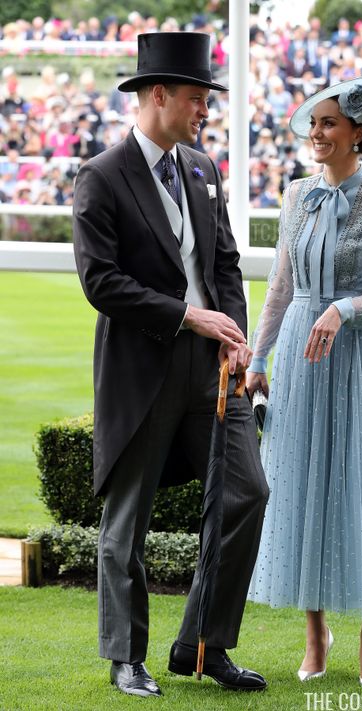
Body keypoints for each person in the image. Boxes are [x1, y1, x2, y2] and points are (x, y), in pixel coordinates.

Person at [73, 32, 269, 698]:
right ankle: (126, 655)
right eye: (196, 98)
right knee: (127, 520)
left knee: (248, 491)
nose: (205, 110)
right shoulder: (100, 175)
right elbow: (100, 281)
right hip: (142, 369)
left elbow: (224, 264)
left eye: (207, 100)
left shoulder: (203, 170)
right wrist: (188, 315)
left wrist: (234, 335)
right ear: (158, 96)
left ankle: (203, 643)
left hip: (212, 369)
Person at [247, 76, 362, 688]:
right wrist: (259, 360)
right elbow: (278, 289)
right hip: (297, 353)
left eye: (327, 125)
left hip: (354, 357)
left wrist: (344, 308)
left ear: (358, 132)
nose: (315, 134)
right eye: (313, 124)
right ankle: (314, 632)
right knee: (300, 485)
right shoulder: (295, 196)